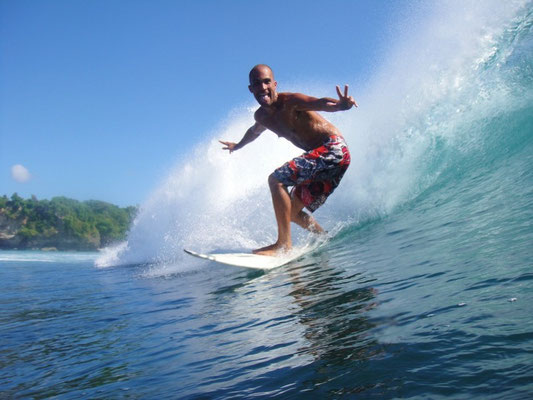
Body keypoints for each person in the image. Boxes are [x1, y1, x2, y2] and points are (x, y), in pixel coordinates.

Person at [220, 64, 357, 256]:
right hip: (326, 160)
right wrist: (237, 145)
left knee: (276, 179)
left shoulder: (290, 101)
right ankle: (323, 237)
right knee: (291, 212)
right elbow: (253, 132)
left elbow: (319, 102)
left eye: (267, 82)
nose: (263, 87)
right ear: (251, 89)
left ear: (275, 84)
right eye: (257, 84)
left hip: (334, 149)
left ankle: (283, 245)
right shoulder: (261, 116)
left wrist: (340, 106)